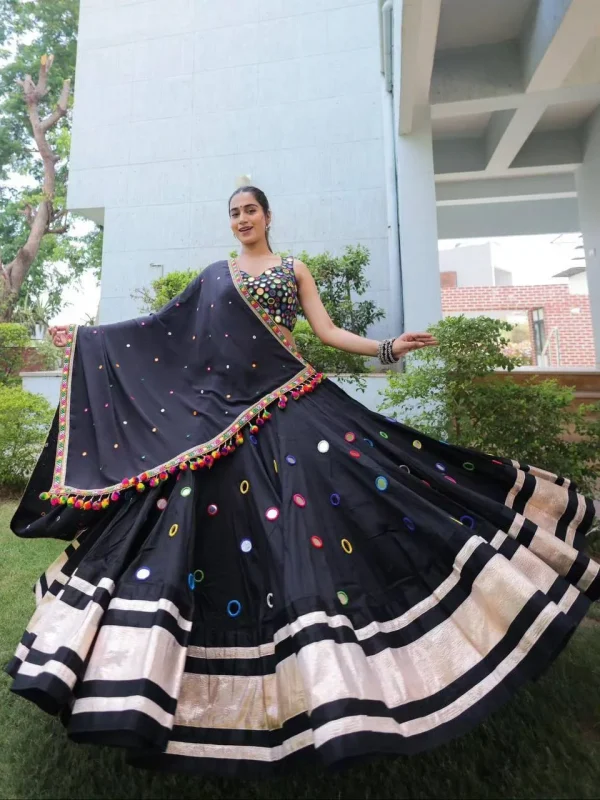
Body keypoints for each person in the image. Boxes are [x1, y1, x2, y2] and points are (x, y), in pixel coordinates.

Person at [6, 186, 598, 778]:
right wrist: (89, 340)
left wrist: (387, 347)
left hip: (292, 409)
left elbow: (328, 332)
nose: (242, 221)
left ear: (268, 217)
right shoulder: (214, 278)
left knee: (364, 490)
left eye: (251, 211)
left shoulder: (293, 270)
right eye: (234, 213)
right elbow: (163, 333)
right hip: (223, 420)